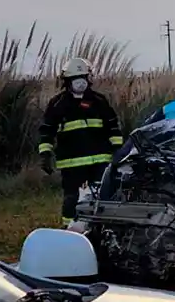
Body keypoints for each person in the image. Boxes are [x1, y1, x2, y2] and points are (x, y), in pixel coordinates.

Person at [38, 57, 123, 226]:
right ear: (67, 81)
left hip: (100, 160)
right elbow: (47, 130)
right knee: (72, 198)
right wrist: (45, 154)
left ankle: (100, 228)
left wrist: (118, 151)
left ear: (88, 78)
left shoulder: (99, 101)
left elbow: (113, 127)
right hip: (71, 163)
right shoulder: (58, 104)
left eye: (83, 77)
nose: (80, 82)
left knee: (102, 196)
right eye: (76, 78)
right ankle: (70, 229)